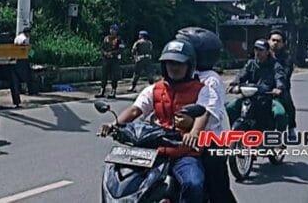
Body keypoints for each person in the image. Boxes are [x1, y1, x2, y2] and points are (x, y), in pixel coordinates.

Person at [100, 40, 207, 203]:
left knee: (193, 183)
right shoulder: (155, 89)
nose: (174, 67)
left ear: (189, 65)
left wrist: (193, 133)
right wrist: (114, 125)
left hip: (183, 152)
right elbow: (136, 110)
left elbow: (204, 113)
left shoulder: (200, 90)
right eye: (170, 63)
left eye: (179, 63)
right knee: (123, 182)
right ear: (164, 65)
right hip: (152, 152)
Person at [176, 27, 236, 203]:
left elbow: (206, 111)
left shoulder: (209, 79)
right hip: (185, 139)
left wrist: (194, 131)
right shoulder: (183, 73)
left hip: (211, 141)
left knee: (217, 189)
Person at [226, 39, 288, 131]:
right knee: (230, 107)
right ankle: (235, 131)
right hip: (249, 97)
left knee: (280, 113)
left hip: (268, 98)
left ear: (267, 52)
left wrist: (279, 88)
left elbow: (280, 78)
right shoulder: (250, 63)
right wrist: (233, 85)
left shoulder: (275, 65)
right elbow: (241, 75)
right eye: (256, 49)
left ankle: (278, 137)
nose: (257, 52)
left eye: (260, 50)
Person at [268, 30, 297, 140]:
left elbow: (285, 75)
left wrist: (279, 87)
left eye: (278, 41)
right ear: (269, 41)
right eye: (273, 40)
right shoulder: (263, 54)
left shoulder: (287, 59)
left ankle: (291, 128)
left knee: (289, 106)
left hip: (280, 88)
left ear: (283, 43)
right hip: (263, 87)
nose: (275, 43)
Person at [96, 24, 126, 98]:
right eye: (111, 29)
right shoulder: (106, 38)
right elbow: (102, 48)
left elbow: (121, 49)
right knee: (104, 75)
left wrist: (112, 53)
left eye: (114, 30)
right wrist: (104, 53)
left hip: (114, 60)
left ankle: (113, 91)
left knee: (114, 76)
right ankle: (102, 90)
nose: (112, 31)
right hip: (106, 59)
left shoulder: (119, 39)